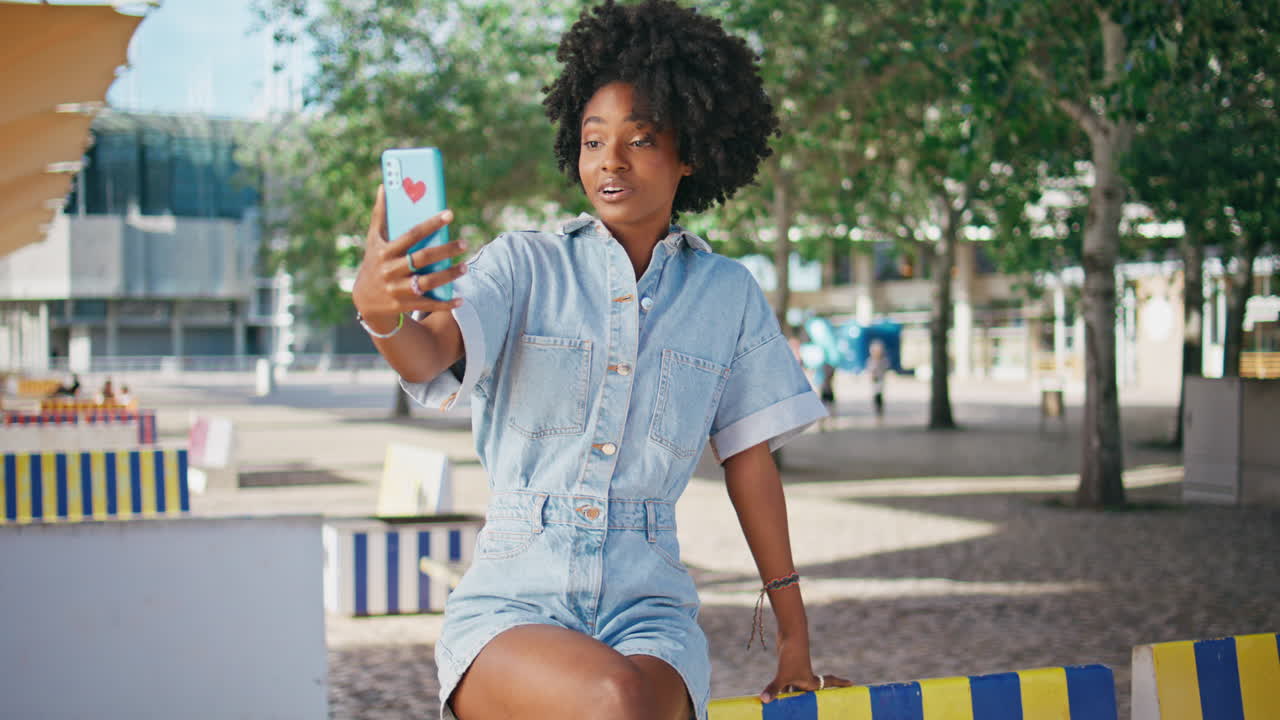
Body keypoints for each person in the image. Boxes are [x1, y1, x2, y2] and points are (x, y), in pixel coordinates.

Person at [351, 2, 850, 718]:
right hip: (513, 604)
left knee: (631, 699)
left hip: (652, 614)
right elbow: (430, 353)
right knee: (614, 699)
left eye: (640, 140)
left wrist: (794, 637)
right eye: (593, 141)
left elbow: (750, 462)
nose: (609, 161)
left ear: (691, 152)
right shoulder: (522, 265)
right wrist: (381, 311)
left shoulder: (728, 295)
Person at [868, 340, 889, 418]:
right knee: (875, 396)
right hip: (875, 381)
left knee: (879, 396)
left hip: (880, 380)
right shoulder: (871, 360)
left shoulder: (883, 360)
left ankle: (880, 410)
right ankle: (877, 410)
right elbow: (870, 370)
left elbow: (885, 369)